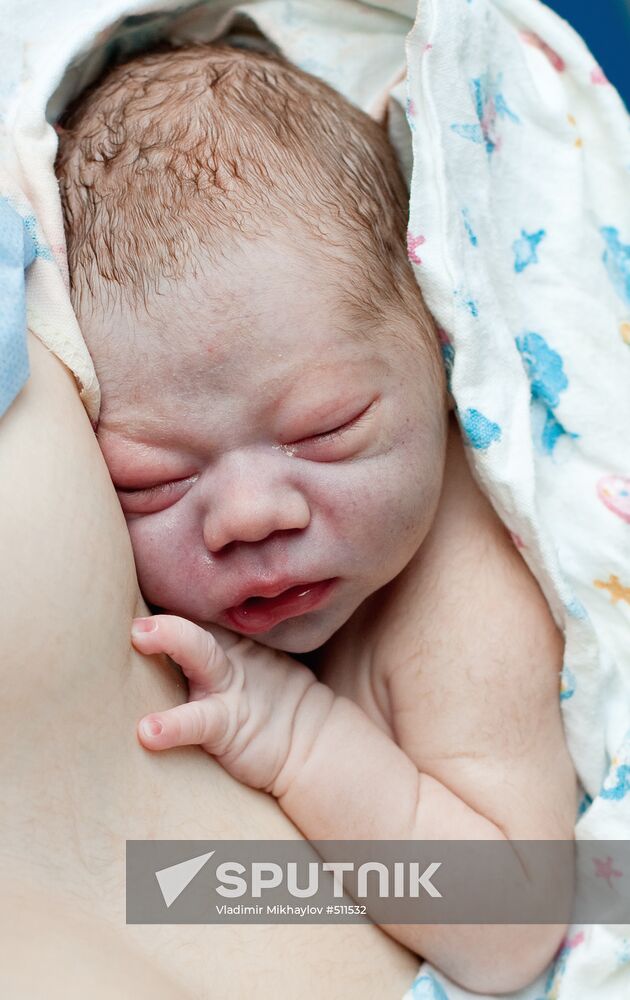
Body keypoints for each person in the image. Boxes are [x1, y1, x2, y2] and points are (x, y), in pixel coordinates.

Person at [54, 42, 577, 993]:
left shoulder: (465, 603)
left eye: (323, 431)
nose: (248, 516)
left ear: (439, 345)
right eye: (149, 484)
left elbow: (514, 926)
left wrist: (296, 735)